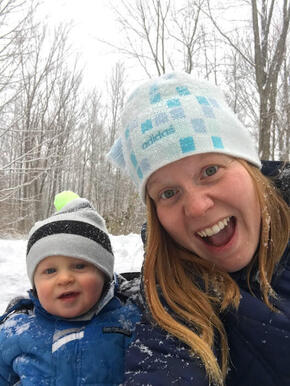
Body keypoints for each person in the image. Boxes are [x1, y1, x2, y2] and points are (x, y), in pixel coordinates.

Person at [107, 72, 290, 386]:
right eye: (168, 193)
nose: (197, 207)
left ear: (248, 165)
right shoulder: (174, 297)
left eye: (210, 170)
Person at [0, 191, 140, 385]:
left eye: (79, 266)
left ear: (104, 273)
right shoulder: (14, 331)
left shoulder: (130, 321)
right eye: (50, 271)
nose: (65, 278)